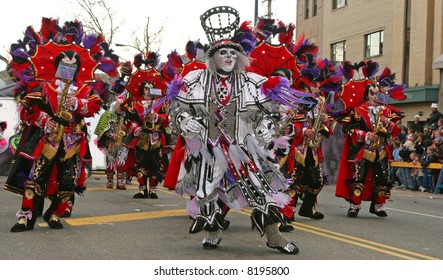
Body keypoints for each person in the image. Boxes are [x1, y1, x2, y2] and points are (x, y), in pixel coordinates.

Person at [165, 6, 304, 254]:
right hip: (210, 149)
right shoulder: (195, 80)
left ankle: (274, 236)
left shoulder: (252, 82)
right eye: (223, 53)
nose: (229, 57)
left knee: (260, 189)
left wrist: (265, 128)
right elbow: (175, 110)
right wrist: (185, 121)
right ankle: (213, 232)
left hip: (244, 148)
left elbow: (270, 114)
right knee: (206, 191)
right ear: (212, 57)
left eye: (233, 53)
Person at [4, 18, 119, 232]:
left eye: (72, 65)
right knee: (36, 176)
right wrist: (44, 120)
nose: (68, 68)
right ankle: (26, 216)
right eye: (64, 64)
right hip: (46, 139)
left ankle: (55, 213)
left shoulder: (84, 89)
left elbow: (93, 107)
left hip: (72, 140)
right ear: (56, 65)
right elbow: (30, 109)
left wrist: (78, 103)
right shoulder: (43, 85)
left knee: (68, 180)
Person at [336, 72, 404, 218]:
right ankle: (354, 206)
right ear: (367, 95)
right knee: (359, 177)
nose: (374, 96)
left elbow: (395, 131)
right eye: (372, 94)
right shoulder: (358, 111)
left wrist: (387, 123)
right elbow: (348, 129)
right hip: (363, 149)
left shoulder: (385, 111)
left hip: (381, 149)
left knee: (382, 178)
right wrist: (365, 135)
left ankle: (379, 206)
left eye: (376, 93)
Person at [123, 80, 169, 199]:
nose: (148, 91)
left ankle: (153, 189)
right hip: (141, 137)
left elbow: (167, 118)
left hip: (156, 138)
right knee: (140, 162)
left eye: (151, 88)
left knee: (155, 163)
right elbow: (129, 120)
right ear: (142, 89)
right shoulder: (135, 104)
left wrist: (157, 116)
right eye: (146, 88)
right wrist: (135, 128)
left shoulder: (160, 103)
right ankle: (142, 189)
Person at [94, 99, 128, 190]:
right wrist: (111, 135)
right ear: (114, 106)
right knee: (110, 162)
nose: (120, 108)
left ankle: (120, 182)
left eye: (122, 106)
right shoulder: (107, 115)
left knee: (121, 161)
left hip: (123, 141)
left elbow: (132, 126)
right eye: (119, 106)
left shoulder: (126, 116)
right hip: (110, 142)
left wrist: (127, 128)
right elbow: (102, 128)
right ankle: (109, 181)